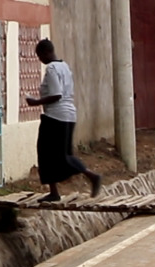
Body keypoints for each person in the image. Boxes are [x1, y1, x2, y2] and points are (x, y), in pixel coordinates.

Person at [27, 39, 100, 202]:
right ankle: (55, 191)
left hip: (55, 116)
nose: (40, 59)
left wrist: (35, 102)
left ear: (46, 52)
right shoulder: (64, 66)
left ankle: (91, 176)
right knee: (62, 155)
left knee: (47, 154)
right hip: (69, 115)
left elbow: (56, 94)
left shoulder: (52, 68)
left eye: (40, 56)